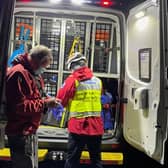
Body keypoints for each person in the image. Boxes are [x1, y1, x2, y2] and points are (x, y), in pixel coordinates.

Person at [5, 45, 58, 168]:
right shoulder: (18, 73)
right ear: (38, 61)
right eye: (44, 66)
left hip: (29, 130)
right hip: (20, 132)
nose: (43, 70)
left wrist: (46, 99)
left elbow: (35, 96)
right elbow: (19, 107)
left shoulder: (32, 74)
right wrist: (45, 103)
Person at [56, 52, 104, 168]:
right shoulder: (98, 81)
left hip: (78, 127)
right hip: (96, 127)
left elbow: (61, 99)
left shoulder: (72, 80)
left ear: (72, 66)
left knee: (72, 160)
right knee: (96, 160)